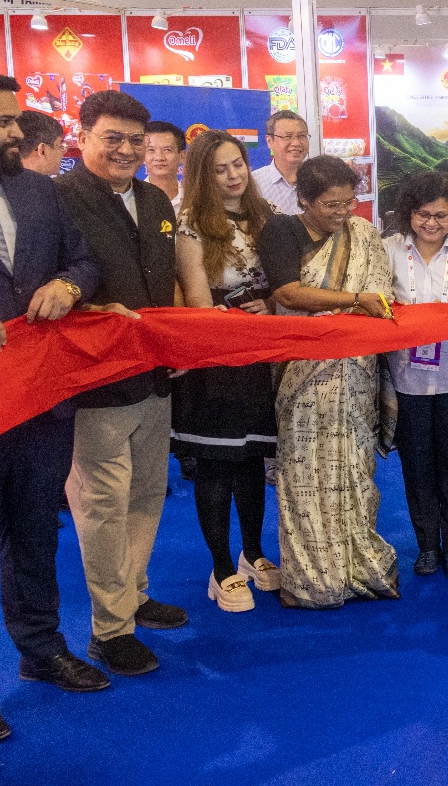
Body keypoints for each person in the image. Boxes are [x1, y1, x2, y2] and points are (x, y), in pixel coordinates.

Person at [0, 63, 107, 744]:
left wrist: (70, 288)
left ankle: (41, 649)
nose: (19, 132)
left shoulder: (40, 191)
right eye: (4, 121)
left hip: (42, 401)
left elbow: (85, 263)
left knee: (36, 532)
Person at [56, 90, 185, 677]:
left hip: (154, 375)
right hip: (97, 381)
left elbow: (165, 282)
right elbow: (47, 285)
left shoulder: (155, 198)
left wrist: (177, 344)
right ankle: (110, 629)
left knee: (147, 493)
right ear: (82, 137)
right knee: (102, 503)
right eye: (113, 138)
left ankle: (133, 592)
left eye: (136, 140)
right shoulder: (60, 200)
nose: (126, 150)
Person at [259, 155, 399, 609]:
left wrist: (359, 306)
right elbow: (287, 292)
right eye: (331, 205)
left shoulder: (363, 235)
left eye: (348, 202)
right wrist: (354, 299)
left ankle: (358, 566)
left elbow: (382, 293)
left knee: (354, 467)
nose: (342, 213)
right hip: (302, 372)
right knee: (303, 471)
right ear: (304, 199)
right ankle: (312, 581)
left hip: (354, 371)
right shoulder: (281, 231)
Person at [170, 130, 280, 613]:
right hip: (214, 354)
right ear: (202, 175)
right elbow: (196, 299)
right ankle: (220, 569)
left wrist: (270, 305)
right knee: (216, 462)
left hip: (259, 351)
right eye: (220, 169)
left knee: (252, 457)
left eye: (238, 164)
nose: (234, 175)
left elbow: (284, 281)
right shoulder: (191, 223)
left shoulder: (265, 214)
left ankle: (253, 553)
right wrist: (230, 323)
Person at [384, 171, 448, 581]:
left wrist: (424, 322)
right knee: (417, 465)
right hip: (406, 377)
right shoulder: (388, 249)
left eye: (441, 216)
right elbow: (379, 307)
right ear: (409, 212)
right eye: (423, 214)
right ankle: (428, 546)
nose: (431, 223)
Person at [252, 110, 310, 215]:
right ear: (269, 141)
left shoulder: (320, 179)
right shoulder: (254, 183)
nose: (296, 143)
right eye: (288, 136)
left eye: (302, 136)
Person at [143, 121, 186, 210]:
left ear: (182, 156)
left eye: (167, 150)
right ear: (142, 156)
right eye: (151, 150)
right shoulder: (131, 199)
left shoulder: (193, 200)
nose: (159, 157)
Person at [15, 109, 65, 177]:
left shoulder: (2, 181)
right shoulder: (43, 183)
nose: (63, 152)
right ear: (42, 150)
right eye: (60, 146)